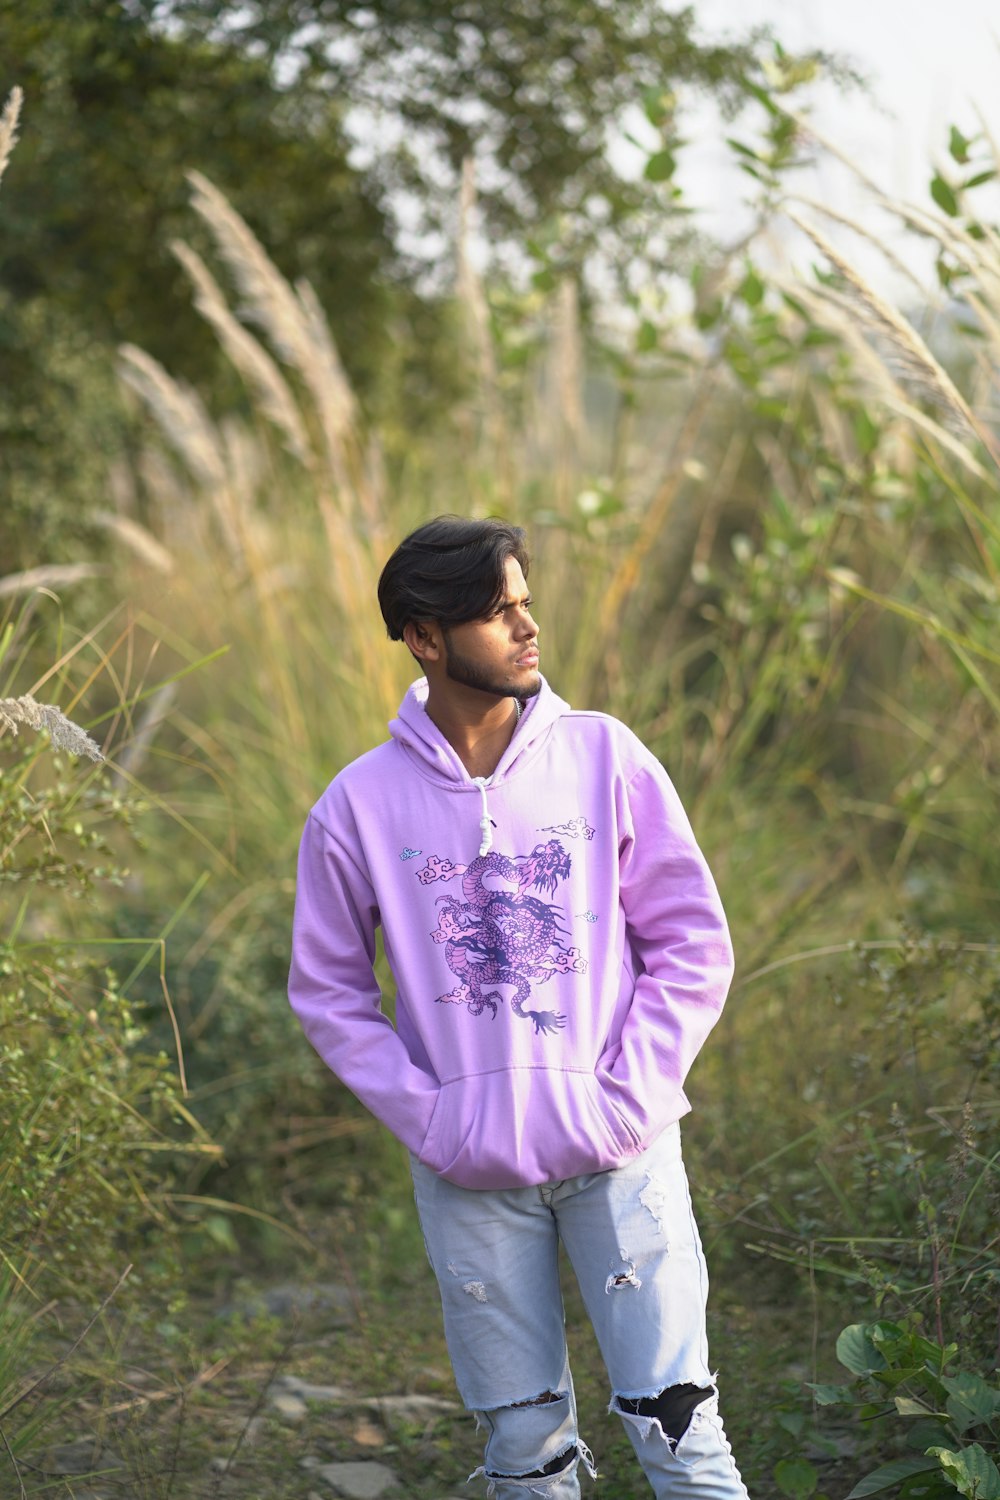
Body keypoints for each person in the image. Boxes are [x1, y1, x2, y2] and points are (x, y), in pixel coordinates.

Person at [288, 515, 749, 1500]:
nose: (527, 627)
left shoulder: (604, 757)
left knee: (681, 1435)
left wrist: (626, 1097)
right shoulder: (356, 807)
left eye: (524, 603)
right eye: (498, 613)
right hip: (470, 1178)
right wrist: (435, 1120)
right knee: (526, 1459)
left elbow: (692, 944)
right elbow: (329, 993)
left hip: (621, 1161)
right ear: (424, 636)